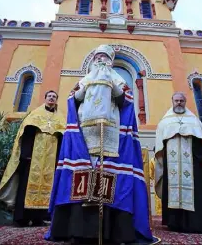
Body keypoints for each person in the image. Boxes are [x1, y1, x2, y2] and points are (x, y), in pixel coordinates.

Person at [45, 45, 153, 244]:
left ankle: (110, 232)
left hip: (110, 132)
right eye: (98, 56)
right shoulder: (84, 80)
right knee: (82, 173)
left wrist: (112, 87)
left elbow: (126, 100)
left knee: (108, 174)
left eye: (105, 57)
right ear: (93, 59)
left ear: (110, 61)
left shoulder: (117, 79)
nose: (101, 59)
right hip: (84, 133)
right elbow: (73, 99)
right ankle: (78, 231)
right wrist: (84, 89)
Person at [155, 92, 202, 234]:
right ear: (172, 101)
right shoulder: (165, 121)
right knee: (172, 191)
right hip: (172, 166)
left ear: (185, 102)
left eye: (181, 100)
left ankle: (198, 223)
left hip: (193, 164)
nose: (179, 103)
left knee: (197, 191)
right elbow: (160, 144)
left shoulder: (194, 121)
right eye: (176, 100)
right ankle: (175, 223)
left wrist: (198, 152)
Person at [0, 90, 66, 227]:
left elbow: (62, 139)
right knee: (26, 187)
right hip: (32, 158)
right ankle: (21, 218)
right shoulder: (35, 115)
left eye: (54, 97)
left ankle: (38, 218)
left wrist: (59, 158)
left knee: (47, 188)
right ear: (45, 98)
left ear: (56, 100)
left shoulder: (60, 118)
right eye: (49, 96)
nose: (51, 98)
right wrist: (26, 154)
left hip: (50, 161)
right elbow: (26, 134)